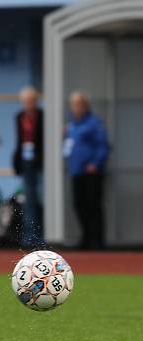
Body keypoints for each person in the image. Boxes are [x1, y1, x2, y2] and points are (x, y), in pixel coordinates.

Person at [64, 91, 110, 249]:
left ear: (85, 106)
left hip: (91, 172)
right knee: (79, 204)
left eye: (79, 105)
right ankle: (86, 237)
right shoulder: (71, 125)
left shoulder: (94, 123)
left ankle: (97, 240)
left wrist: (95, 164)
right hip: (76, 171)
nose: (76, 108)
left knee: (93, 205)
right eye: (74, 105)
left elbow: (103, 146)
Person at [12, 86, 44, 247]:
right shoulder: (19, 117)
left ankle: (41, 236)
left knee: (41, 199)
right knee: (28, 201)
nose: (27, 104)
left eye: (30, 101)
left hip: (40, 162)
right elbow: (19, 141)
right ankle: (29, 237)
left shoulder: (43, 117)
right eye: (25, 102)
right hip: (26, 162)